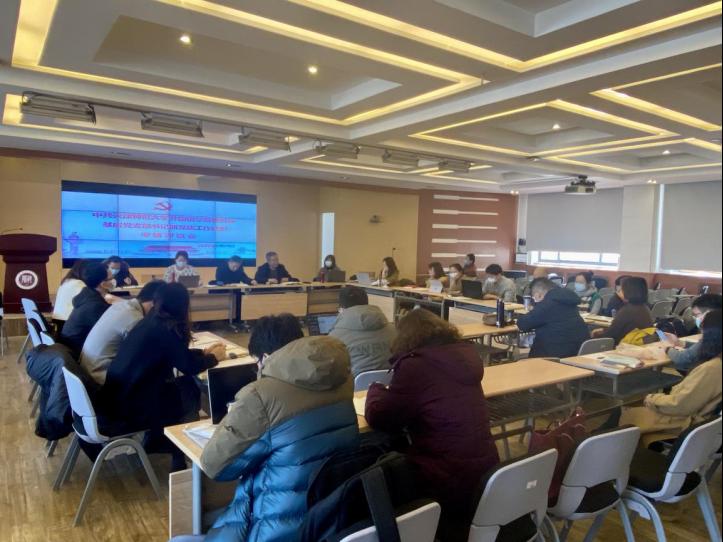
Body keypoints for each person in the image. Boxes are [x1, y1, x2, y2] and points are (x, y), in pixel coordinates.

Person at [199, 316, 359, 541]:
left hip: (273, 529)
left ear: (265, 358)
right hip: (329, 519)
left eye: (256, 362)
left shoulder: (260, 395)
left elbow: (213, 465)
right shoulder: (341, 378)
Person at [365, 310, 499, 541]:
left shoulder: (415, 366)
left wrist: (375, 389)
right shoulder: (465, 357)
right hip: (485, 469)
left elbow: (382, 417)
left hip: (444, 477)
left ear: (405, 337)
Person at [99, 283, 224, 470]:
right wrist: (214, 358)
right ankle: (179, 451)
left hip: (117, 397)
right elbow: (188, 366)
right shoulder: (167, 328)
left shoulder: (152, 321)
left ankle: (162, 442)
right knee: (188, 394)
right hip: (128, 408)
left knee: (183, 389)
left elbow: (173, 354)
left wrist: (203, 353)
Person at [618, 310, 722, 438]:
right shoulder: (715, 365)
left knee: (623, 412)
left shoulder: (712, 369)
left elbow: (679, 405)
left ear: (711, 336)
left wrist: (650, 398)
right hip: (702, 421)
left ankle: (610, 443)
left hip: (684, 422)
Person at [80, 280, 165, 385]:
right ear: (154, 304)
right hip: (100, 378)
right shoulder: (134, 319)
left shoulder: (121, 306)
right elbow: (145, 355)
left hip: (88, 370)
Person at [329, 285, 395, 377]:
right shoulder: (394, 330)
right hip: (391, 383)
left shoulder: (334, 337)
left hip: (355, 384)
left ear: (341, 309)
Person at [516, 278, 590, 358]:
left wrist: (534, 309)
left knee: (519, 357)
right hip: (576, 353)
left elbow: (522, 324)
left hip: (554, 355)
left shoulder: (547, 304)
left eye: (534, 298)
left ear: (538, 295)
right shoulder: (567, 300)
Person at [58, 262, 112, 356]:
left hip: (68, 345)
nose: (113, 282)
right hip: (79, 352)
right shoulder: (95, 304)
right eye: (110, 279)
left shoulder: (86, 296)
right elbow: (110, 332)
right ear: (103, 283)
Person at [664, 294, 723, 374]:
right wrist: (681, 343)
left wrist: (666, 349)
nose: (696, 319)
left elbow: (682, 358)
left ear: (709, 313)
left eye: (697, 315)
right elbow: (703, 345)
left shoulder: (714, 333)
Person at [592, 276, 653, 345]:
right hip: (639, 345)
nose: (618, 291)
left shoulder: (628, 310)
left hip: (624, 346)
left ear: (630, 291)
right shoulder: (644, 307)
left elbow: (611, 334)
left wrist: (596, 334)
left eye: (622, 289)